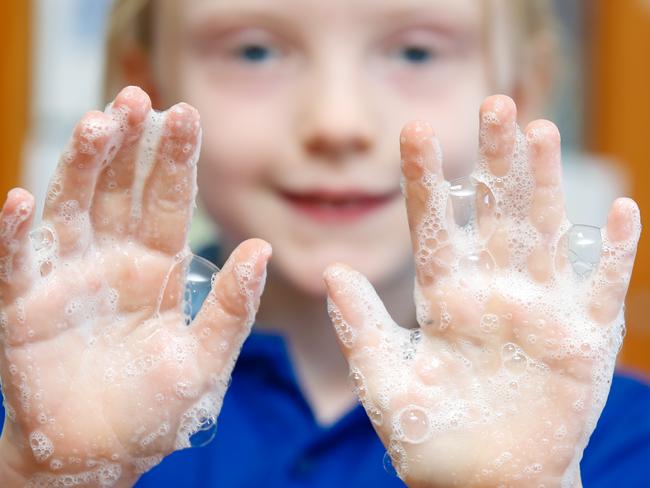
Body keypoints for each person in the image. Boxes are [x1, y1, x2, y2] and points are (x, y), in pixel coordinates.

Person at [1, 0, 649, 486]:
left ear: (517, 93)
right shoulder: (31, 413)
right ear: (154, 91)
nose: (338, 122)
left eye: (416, 52)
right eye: (254, 52)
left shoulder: (621, 439)